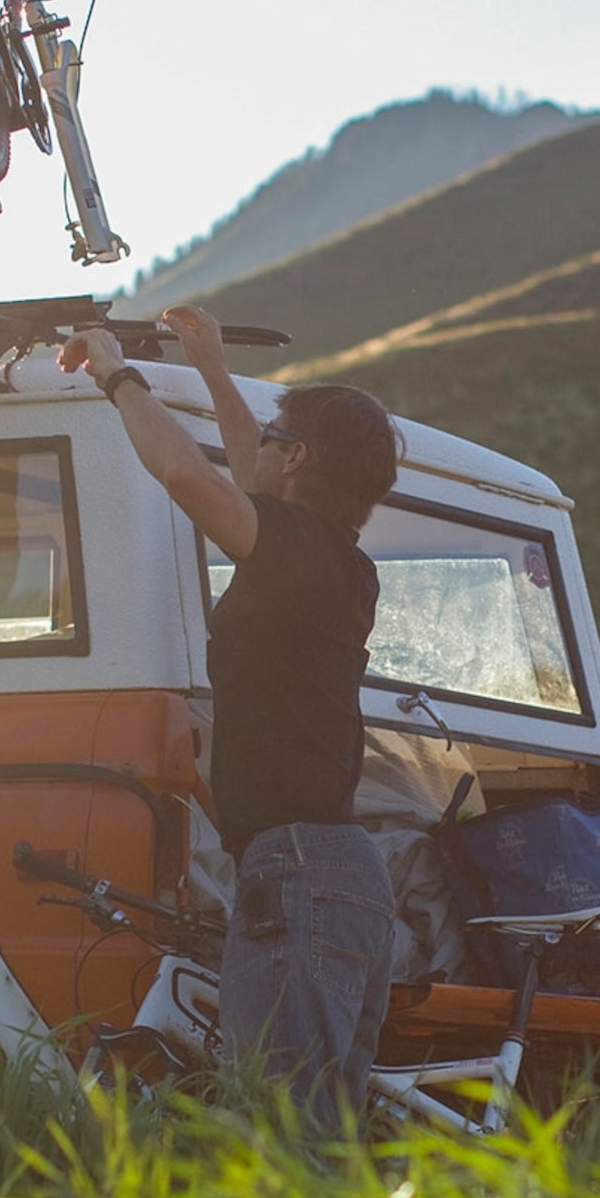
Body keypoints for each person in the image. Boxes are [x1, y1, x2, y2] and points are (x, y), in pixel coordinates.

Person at [65, 307, 402, 1133]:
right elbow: (257, 471)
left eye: (274, 437)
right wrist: (212, 368)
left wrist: (119, 374)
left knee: (283, 1135)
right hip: (345, 877)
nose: (254, 445)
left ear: (295, 460)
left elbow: (189, 478)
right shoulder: (337, 561)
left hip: (298, 874)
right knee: (321, 1134)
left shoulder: (291, 547)